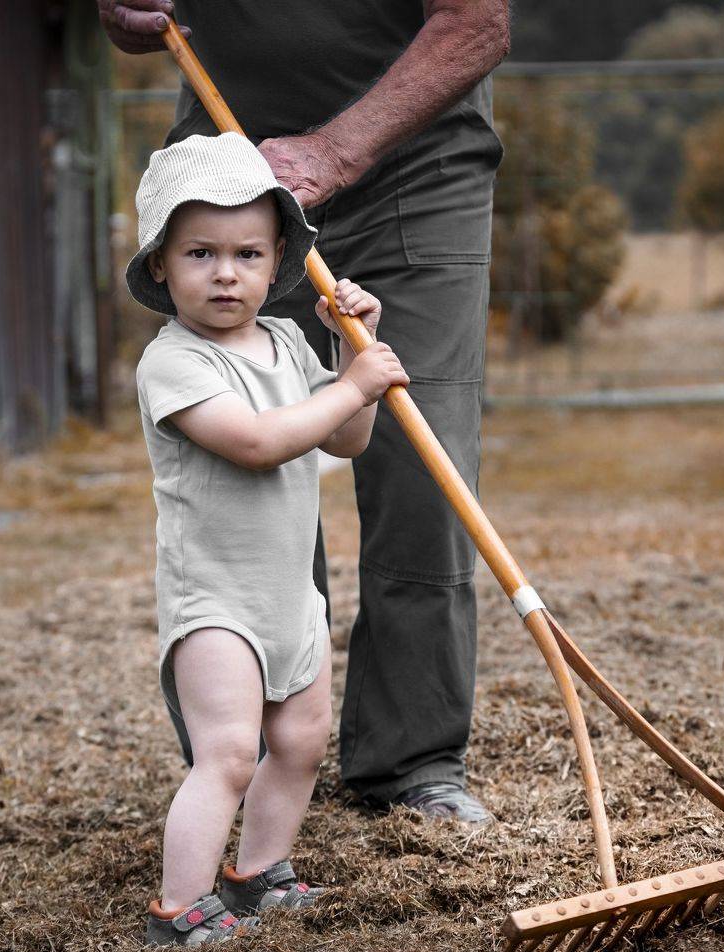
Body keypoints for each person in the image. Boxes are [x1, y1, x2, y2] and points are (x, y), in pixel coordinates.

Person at [101, 0, 510, 825]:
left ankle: (412, 762)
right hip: (229, 167)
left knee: (423, 468)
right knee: (241, 484)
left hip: (416, 169)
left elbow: (477, 23)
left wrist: (335, 151)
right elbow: (258, 443)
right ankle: (246, 754)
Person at [130, 133, 410, 946]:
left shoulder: (287, 341)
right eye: (200, 253)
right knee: (226, 753)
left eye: (247, 253)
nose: (226, 272)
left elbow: (346, 439)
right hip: (216, 601)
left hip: (291, 594)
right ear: (161, 265)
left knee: (299, 741)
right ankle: (180, 908)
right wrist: (355, 385)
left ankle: (258, 873)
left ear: (278, 258)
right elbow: (257, 442)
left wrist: (352, 350)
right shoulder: (173, 363)